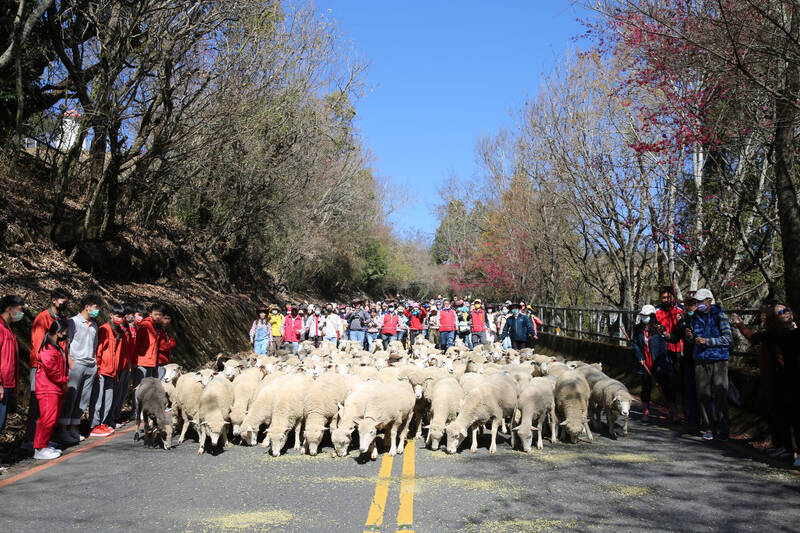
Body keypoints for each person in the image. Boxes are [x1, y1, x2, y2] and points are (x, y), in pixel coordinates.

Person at [732, 301, 800, 465]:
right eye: (781, 312)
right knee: (780, 414)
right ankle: (785, 447)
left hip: (793, 380)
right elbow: (753, 337)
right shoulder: (776, 334)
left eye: (787, 309)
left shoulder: (792, 331)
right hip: (782, 380)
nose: (785, 312)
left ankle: (787, 447)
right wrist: (740, 324)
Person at [22, 288, 71, 451]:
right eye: (62, 301)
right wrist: (44, 366)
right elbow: (38, 346)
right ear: (53, 300)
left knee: (50, 409)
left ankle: (43, 440)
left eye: (67, 301)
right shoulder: (42, 318)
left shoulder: (62, 319)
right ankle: (31, 440)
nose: (65, 304)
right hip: (41, 367)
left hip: (57, 367)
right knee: (38, 405)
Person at [57, 293, 103, 443]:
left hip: (90, 365)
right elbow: (66, 343)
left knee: (83, 400)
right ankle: (63, 430)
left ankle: (73, 428)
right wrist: (70, 361)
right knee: (70, 398)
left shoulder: (95, 325)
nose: (97, 312)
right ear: (87, 307)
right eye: (96, 308)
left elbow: (95, 345)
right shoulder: (73, 322)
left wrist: (95, 363)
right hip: (76, 364)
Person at [690, 288, 732, 441]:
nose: (698, 304)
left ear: (709, 300)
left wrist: (708, 342)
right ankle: (708, 427)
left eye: (700, 301)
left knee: (721, 394)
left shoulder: (720, 316)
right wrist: (691, 337)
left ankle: (724, 429)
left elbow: (728, 339)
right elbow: (694, 337)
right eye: (697, 301)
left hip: (719, 359)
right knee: (703, 395)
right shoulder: (694, 317)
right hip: (700, 359)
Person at [632, 304, 678, 423]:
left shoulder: (659, 329)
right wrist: (640, 357)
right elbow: (636, 344)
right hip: (645, 363)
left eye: (647, 316)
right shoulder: (638, 329)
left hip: (659, 363)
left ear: (652, 316)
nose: (644, 318)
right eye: (643, 315)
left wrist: (660, 365)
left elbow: (663, 348)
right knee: (645, 388)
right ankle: (646, 412)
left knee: (666, 387)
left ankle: (673, 412)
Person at [89, 303, 128, 437]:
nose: (120, 319)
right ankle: (94, 425)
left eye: (122, 317)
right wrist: (98, 368)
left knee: (108, 399)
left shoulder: (119, 332)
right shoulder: (104, 329)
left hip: (113, 371)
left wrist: (117, 370)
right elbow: (98, 350)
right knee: (98, 399)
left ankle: (104, 423)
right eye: (117, 316)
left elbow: (118, 354)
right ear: (111, 315)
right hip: (103, 370)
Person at [33, 319, 70, 460]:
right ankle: (39, 448)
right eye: (65, 331)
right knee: (47, 419)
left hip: (55, 388)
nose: (66, 334)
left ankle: (44, 444)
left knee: (52, 419)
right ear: (58, 332)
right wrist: (64, 381)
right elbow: (52, 370)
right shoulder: (47, 349)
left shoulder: (56, 347)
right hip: (48, 388)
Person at [0, 295, 24, 435]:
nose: (21, 314)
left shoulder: (8, 328)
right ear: (9, 309)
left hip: (8, 383)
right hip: (2, 384)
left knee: (2, 422)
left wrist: (15, 383)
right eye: (19, 310)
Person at [110, 302, 136, 428]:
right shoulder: (117, 329)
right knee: (115, 392)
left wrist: (129, 363)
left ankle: (117, 414)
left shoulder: (126, 329)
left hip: (126, 364)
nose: (131, 317)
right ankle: (112, 417)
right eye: (129, 314)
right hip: (117, 366)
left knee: (122, 392)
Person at [156, 310, 176, 379]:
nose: (167, 321)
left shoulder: (166, 331)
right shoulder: (158, 330)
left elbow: (172, 341)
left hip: (165, 360)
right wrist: (171, 344)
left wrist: (170, 343)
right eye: (165, 318)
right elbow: (163, 347)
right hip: (159, 360)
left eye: (169, 319)